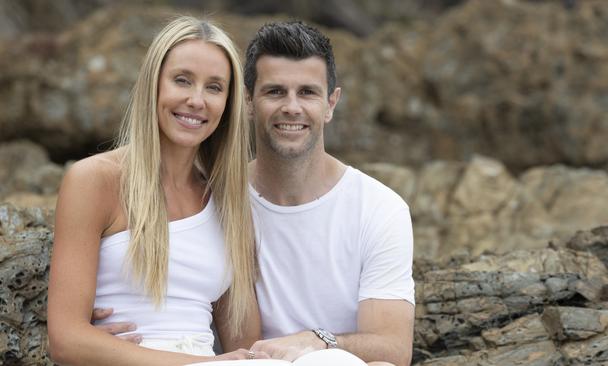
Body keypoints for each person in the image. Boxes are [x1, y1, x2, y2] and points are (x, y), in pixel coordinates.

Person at [93, 20, 415, 366]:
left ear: (331, 103)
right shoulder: (217, 197)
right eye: (275, 91)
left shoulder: (378, 208)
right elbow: (230, 333)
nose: (292, 107)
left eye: (307, 92)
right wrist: (106, 344)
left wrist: (316, 341)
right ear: (247, 101)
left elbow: (394, 349)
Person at [47, 16, 266, 365]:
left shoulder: (227, 200)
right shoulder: (95, 180)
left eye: (214, 87)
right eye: (182, 80)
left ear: (228, 105)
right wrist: (204, 365)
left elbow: (247, 346)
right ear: (154, 84)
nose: (196, 100)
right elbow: (65, 340)